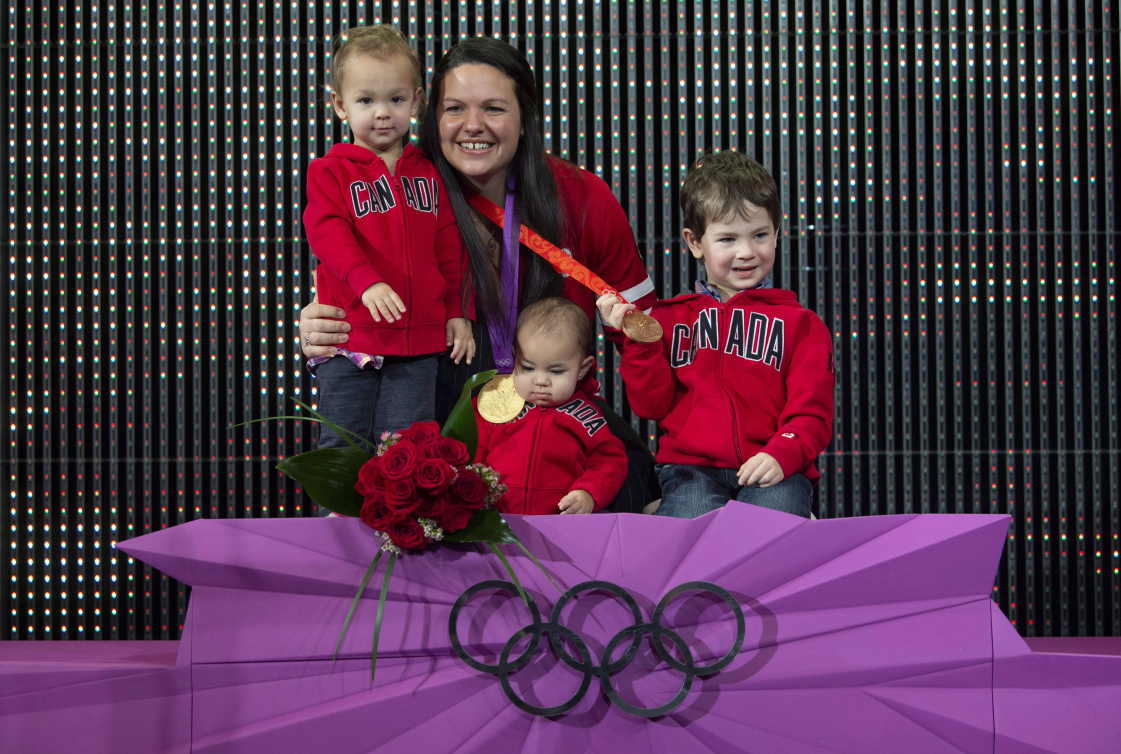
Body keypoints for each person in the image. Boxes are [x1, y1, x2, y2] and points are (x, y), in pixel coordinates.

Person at [299, 37, 659, 512]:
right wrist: (322, 329)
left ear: (525, 117)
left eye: (493, 108)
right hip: (436, 413)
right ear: (432, 115)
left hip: (555, 423)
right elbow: (341, 261)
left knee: (642, 493)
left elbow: (650, 336)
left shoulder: (582, 197)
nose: (473, 126)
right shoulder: (404, 189)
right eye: (454, 109)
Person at [598, 150, 835, 519]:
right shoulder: (668, 320)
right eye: (727, 239)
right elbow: (650, 406)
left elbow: (812, 413)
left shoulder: (802, 325)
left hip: (774, 469)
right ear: (695, 243)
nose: (746, 252)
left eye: (759, 235)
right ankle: (668, 515)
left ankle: (795, 525)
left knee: (766, 539)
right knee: (686, 547)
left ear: (777, 232)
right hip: (692, 471)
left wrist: (783, 452)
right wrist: (639, 343)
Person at [302, 25, 474, 477]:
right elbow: (327, 233)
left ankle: (400, 531)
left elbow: (448, 247)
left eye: (396, 100)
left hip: (418, 343)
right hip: (352, 340)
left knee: (409, 446)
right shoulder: (329, 172)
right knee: (344, 441)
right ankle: (339, 534)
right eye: (366, 101)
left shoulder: (430, 173)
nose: (382, 114)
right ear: (339, 104)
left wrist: (455, 311)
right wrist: (366, 280)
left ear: (416, 101)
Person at [474, 298, 627, 515]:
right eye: (527, 368)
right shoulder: (494, 403)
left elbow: (610, 460)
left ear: (582, 369)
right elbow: (469, 452)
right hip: (494, 520)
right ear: (514, 356)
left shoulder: (586, 415)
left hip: (559, 523)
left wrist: (589, 493)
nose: (541, 381)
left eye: (556, 371)